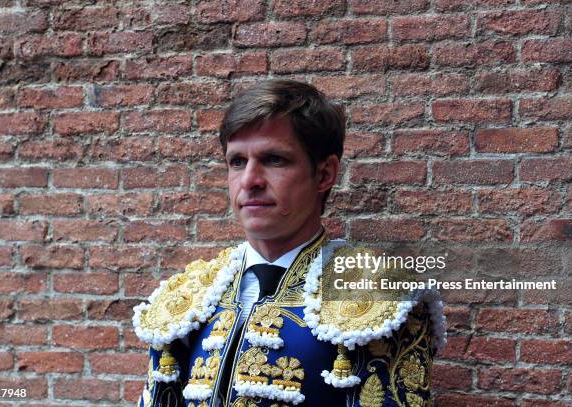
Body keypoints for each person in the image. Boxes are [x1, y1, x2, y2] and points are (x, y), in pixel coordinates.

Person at [133, 80, 446, 407]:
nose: (250, 181)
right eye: (237, 162)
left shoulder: (379, 295)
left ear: (324, 174)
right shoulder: (189, 297)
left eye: (273, 159)